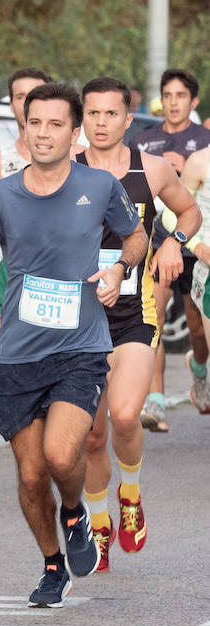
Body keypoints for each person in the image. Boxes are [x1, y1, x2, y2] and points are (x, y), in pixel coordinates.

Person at [0, 81, 147, 608]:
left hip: (80, 347)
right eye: (34, 123)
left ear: (74, 133)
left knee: (61, 454)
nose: (43, 133)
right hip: (20, 352)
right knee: (29, 474)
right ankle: (52, 564)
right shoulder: (0, 196)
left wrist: (118, 267)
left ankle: (75, 512)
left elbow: (134, 236)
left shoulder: (99, 187)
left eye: (55, 124)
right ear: (24, 128)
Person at [76, 78, 199, 572]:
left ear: (129, 120)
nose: (102, 123)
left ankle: (130, 493)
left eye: (112, 114)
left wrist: (173, 242)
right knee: (88, 436)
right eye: (93, 114)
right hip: (78, 321)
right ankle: (97, 523)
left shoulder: (150, 169)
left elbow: (188, 211)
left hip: (132, 316)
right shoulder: (66, 170)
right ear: (82, 119)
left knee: (125, 416)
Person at [128, 69, 210, 431]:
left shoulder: (203, 143)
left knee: (197, 329)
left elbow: (194, 204)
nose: (173, 102)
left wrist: (177, 175)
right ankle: (156, 402)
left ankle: (199, 368)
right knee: (154, 319)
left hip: (197, 248)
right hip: (159, 242)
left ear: (193, 102)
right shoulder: (143, 141)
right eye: (168, 95)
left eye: (181, 96)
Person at [0, 68, 53, 342]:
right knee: (10, 370)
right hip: (10, 275)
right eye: (20, 96)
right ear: (12, 103)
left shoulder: (75, 157)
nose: (27, 102)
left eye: (35, 95)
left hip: (60, 280)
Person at [174, 144, 210, 413]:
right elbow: (172, 212)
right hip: (208, 275)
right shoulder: (199, 161)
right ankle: (199, 370)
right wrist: (197, 245)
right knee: (197, 334)